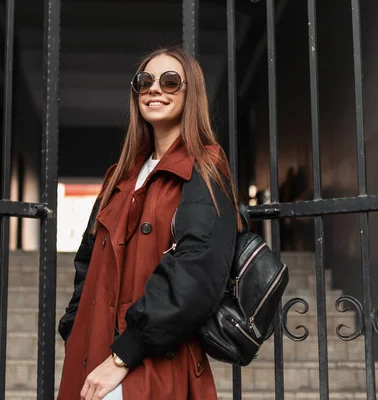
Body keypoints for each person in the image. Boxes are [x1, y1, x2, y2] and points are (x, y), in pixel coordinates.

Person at [57, 46, 242, 400]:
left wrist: (126, 352)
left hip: (152, 360)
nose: (155, 89)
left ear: (191, 95)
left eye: (171, 81)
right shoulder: (121, 175)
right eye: (145, 81)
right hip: (93, 357)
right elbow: (87, 260)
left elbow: (195, 272)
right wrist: (74, 328)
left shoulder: (203, 168)